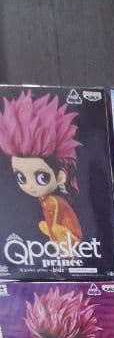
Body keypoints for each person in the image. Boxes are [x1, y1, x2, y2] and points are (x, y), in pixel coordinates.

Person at [0, 89, 82, 243]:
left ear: (60, 176)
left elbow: (55, 225)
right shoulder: (42, 200)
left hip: (69, 239)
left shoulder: (53, 201)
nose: (31, 186)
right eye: (20, 177)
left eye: (42, 177)